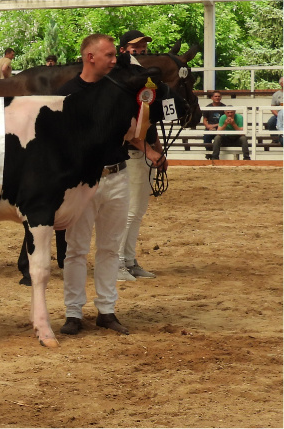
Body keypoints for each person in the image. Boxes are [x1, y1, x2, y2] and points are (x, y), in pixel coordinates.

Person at [58, 33, 165, 338]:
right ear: (89, 56)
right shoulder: (67, 94)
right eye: (108, 55)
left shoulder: (118, 90)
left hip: (117, 175)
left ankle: (107, 310)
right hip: (82, 181)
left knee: (109, 249)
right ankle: (73, 312)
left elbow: (131, 130)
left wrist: (148, 150)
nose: (114, 59)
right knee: (76, 249)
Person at [116, 29, 162, 282]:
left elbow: (149, 120)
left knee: (138, 210)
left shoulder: (143, 80)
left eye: (143, 45)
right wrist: (148, 149)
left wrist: (157, 149)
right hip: (131, 153)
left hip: (144, 152)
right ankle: (119, 262)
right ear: (124, 49)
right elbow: (126, 123)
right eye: (136, 46)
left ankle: (130, 260)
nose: (142, 49)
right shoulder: (125, 80)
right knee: (130, 210)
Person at [267, 77, 282, 144]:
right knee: (271, 122)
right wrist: (277, 115)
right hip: (279, 115)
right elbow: (272, 108)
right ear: (281, 84)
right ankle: (275, 138)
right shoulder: (276, 94)